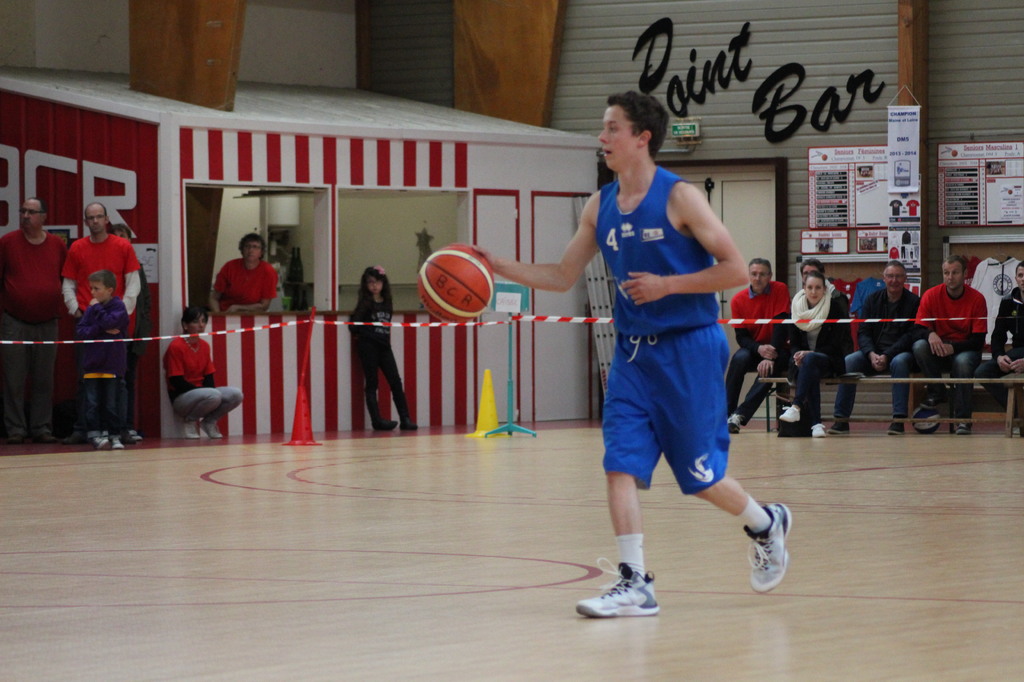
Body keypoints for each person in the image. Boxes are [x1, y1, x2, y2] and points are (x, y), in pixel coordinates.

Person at [476, 91, 791, 618]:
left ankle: (765, 522)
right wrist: (496, 266)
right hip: (632, 355)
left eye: (612, 128)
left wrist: (668, 285)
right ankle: (635, 581)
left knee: (701, 479)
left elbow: (736, 269)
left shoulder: (680, 197)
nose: (602, 138)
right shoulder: (599, 204)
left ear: (642, 138)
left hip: (689, 350)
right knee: (619, 463)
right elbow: (562, 276)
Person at [61, 202, 142, 444]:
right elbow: (68, 283)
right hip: (88, 325)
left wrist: (118, 316)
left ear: (107, 219)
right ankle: (84, 428)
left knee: (118, 380)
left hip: (116, 328)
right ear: (85, 221)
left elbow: (133, 284)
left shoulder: (123, 246)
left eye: (99, 217)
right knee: (86, 378)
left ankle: (121, 429)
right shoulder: (77, 248)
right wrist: (75, 310)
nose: (95, 221)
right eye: (90, 217)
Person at [0, 198, 67, 444]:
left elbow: (65, 280)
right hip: (14, 322)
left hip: (48, 323)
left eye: (31, 212)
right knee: (13, 379)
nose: (26, 216)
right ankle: (16, 429)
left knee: (44, 380)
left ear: (44, 216)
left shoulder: (57, 245)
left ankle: (41, 427)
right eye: (23, 211)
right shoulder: (7, 242)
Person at [829, 260, 921, 436]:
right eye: (890, 276)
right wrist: (871, 354)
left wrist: (887, 355)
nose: (894, 280)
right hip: (872, 353)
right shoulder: (872, 300)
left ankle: (898, 421)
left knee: (900, 362)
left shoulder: (914, 302)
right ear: (884, 278)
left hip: (900, 353)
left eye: (898, 276)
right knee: (849, 361)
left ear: (905, 279)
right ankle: (841, 420)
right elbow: (863, 332)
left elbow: (910, 336)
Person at [912, 255, 987, 435]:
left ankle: (963, 421)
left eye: (955, 273)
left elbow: (978, 341)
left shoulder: (977, 299)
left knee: (962, 362)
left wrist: (953, 347)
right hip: (939, 349)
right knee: (919, 346)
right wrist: (930, 334)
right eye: (946, 273)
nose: (950, 277)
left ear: (965, 274)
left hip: (965, 349)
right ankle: (938, 392)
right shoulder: (931, 295)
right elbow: (917, 329)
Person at [777, 270, 852, 438]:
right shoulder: (795, 309)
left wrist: (810, 353)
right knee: (810, 368)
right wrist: (798, 355)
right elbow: (794, 344)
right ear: (804, 288)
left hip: (829, 360)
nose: (813, 291)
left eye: (818, 287)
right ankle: (816, 425)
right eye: (810, 287)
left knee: (810, 360)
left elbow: (836, 344)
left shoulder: (834, 308)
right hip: (804, 363)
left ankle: (796, 407)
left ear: (824, 290)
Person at [725, 258, 790, 433]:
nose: (757, 278)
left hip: (779, 349)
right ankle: (726, 414)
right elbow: (741, 337)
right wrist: (759, 349)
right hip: (754, 348)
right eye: (754, 274)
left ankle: (739, 415)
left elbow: (781, 325)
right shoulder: (737, 300)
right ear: (748, 275)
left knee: (770, 368)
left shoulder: (780, 289)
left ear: (770, 276)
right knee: (739, 358)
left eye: (762, 274)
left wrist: (771, 355)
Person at [350, 266, 417, 431]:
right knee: (372, 383)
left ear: (383, 283)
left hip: (384, 346)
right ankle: (377, 420)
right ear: (365, 284)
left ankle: (405, 419)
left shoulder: (387, 302)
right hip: (368, 346)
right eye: (370, 282)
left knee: (396, 381)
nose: (374, 286)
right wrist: (367, 333)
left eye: (378, 282)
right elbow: (353, 325)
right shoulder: (365, 303)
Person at [162, 306, 243, 439]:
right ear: (185, 325)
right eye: (195, 322)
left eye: (203, 321)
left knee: (236, 394)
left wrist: (207, 393)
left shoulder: (204, 346)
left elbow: (209, 377)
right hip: (181, 397)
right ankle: (190, 420)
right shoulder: (176, 346)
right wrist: (203, 392)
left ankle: (209, 421)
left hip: (203, 393)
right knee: (213, 394)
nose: (201, 325)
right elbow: (176, 381)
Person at [75, 270, 129, 450]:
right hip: (92, 364)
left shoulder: (119, 307)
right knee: (92, 403)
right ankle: (95, 435)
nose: (92, 292)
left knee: (111, 403)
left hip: (112, 364)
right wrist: (100, 328)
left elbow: (110, 323)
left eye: (96, 288)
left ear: (109, 290)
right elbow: (81, 331)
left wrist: (98, 312)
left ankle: (114, 435)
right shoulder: (91, 310)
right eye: (91, 288)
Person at [110, 223, 151, 444]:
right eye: (115, 236)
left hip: (133, 335)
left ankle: (127, 426)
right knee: (111, 383)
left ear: (130, 240)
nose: (119, 239)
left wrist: (141, 334)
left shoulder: (137, 267)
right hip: (112, 334)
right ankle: (111, 428)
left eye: (123, 235)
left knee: (128, 382)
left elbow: (146, 303)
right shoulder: (107, 266)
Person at [974, 261, 1024, 409]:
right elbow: (998, 335)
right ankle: (1018, 410)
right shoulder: (1008, 302)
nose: (1023, 279)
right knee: (982, 372)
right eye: (1020, 275)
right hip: (1017, 353)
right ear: (1015, 279)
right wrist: (999, 356)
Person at [208, 233, 278, 313]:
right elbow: (213, 298)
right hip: (225, 313)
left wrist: (238, 308)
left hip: (253, 315)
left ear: (261, 252)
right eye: (247, 246)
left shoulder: (268, 271)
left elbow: (264, 306)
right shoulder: (229, 267)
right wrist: (219, 316)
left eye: (255, 247)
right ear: (242, 250)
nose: (251, 250)